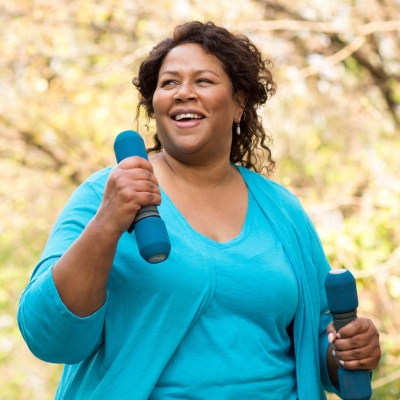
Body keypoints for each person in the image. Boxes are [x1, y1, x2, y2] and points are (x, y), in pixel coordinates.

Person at [18, 21, 381, 399]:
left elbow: (318, 339)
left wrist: (349, 353)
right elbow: (47, 335)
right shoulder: (104, 195)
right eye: (169, 83)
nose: (183, 93)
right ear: (153, 105)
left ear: (240, 102)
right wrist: (107, 223)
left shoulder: (282, 209)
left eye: (203, 81)